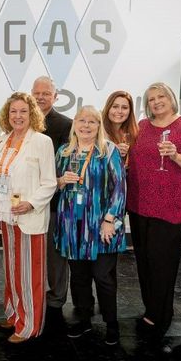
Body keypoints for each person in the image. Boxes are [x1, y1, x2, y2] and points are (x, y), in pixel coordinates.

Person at [126, 82, 181, 336]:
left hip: (171, 206)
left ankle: (160, 314)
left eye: (161, 96)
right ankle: (152, 308)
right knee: (144, 262)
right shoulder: (141, 127)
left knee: (162, 263)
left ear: (170, 98)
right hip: (140, 204)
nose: (156, 102)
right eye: (151, 99)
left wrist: (176, 156)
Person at [0, 92, 56, 343]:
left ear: (32, 114)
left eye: (23, 112)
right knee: (12, 270)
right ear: (7, 115)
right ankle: (15, 313)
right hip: (7, 217)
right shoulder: (4, 141)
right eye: (13, 111)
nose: (18, 116)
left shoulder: (41, 141)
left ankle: (30, 325)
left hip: (29, 218)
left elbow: (49, 183)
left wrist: (31, 203)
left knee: (30, 275)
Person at [56, 106, 126, 345]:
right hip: (72, 226)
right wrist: (60, 181)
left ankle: (111, 323)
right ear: (74, 123)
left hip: (101, 226)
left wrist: (110, 220)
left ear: (99, 126)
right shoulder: (64, 152)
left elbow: (119, 188)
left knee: (103, 276)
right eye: (82, 121)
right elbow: (50, 184)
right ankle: (84, 318)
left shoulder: (108, 151)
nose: (86, 126)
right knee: (79, 277)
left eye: (92, 122)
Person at [32, 76, 72, 328]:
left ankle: (56, 299)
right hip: (28, 200)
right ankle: (34, 296)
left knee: (56, 254)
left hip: (55, 201)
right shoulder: (22, 122)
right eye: (36, 93)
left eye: (46, 93)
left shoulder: (66, 125)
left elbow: (67, 162)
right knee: (33, 252)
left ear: (56, 97)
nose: (41, 97)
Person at [101, 90, 139, 166]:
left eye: (124, 108)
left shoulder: (133, 133)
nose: (119, 111)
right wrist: (113, 152)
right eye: (115, 107)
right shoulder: (98, 131)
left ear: (130, 111)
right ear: (108, 108)